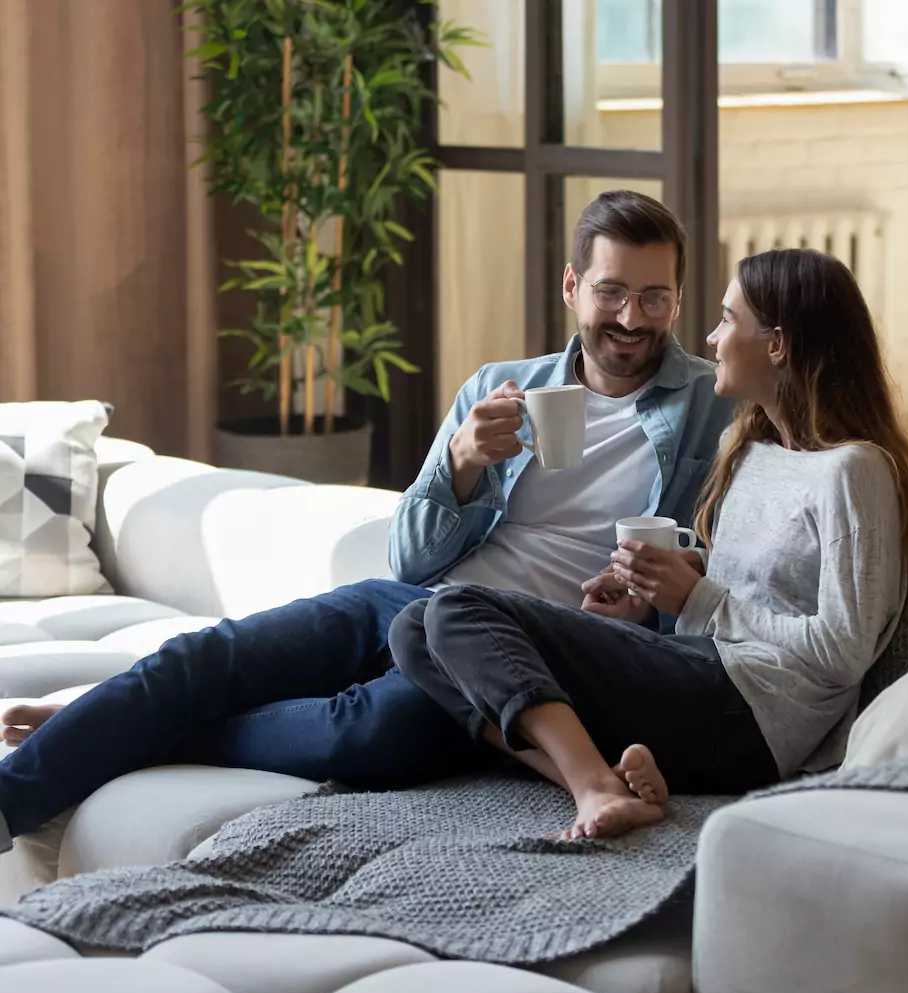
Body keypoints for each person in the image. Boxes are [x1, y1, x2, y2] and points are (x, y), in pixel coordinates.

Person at [0, 190, 734, 850]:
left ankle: (108, 728)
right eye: (611, 293)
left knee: (370, 732)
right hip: (414, 606)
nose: (632, 320)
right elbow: (410, 560)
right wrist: (461, 460)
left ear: (678, 299)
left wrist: (662, 589)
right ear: (573, 288)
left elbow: (724, 569)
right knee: (205, 659)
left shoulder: (717, 408)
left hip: (521, 656)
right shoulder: (502, 387)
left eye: (655, 299)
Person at [389, 248, 908, 839]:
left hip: (757, 714)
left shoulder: (852, 470)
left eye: (729, 320)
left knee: (457, 607)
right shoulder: (751, 449)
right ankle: (599, 779)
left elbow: (842, 652)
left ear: (777, 344)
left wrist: (698, 597)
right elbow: (759, 583)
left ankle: (594, 787)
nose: (710, 336)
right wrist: (653, 591)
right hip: (701, 677)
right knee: (414, 629)